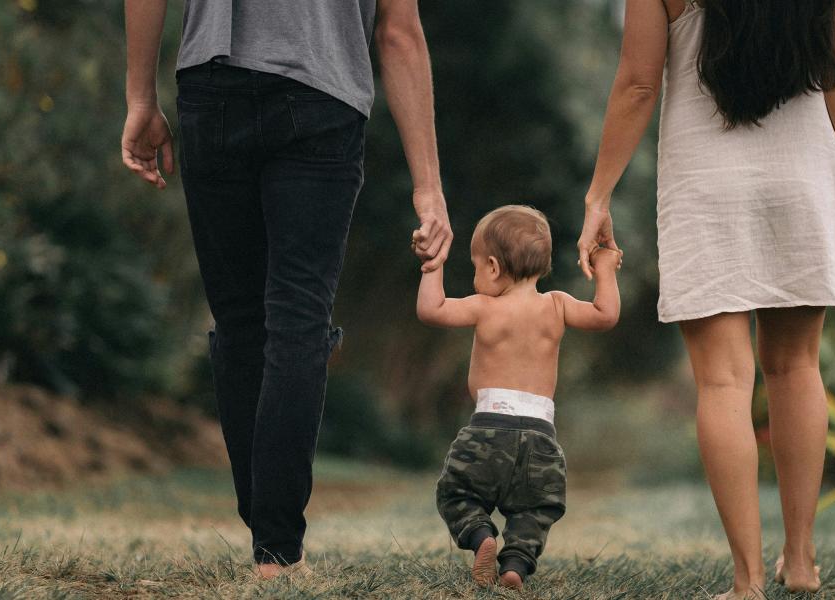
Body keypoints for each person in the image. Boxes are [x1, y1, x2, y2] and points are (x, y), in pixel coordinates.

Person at [119, 0, 454, 578]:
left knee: (241, 320)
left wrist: (140, 98)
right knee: (298, 316)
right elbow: (398, 31)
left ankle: (269, 538)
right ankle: (275, 549)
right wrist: (428, 187)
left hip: (212, 84)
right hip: (322, 95)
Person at [577, 0, 835, 597]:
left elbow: (638, 82)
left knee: (722, 383)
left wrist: (598, 197)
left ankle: (747, 583)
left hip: (706, 183)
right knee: (796, 369)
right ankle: (801, 563)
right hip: (804, 176)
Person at [417, 206, 621, 589]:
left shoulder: (485, 307)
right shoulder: (558, 305)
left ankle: (482, 537)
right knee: (534, 510)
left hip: (487, 430)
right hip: (541, 438)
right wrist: (605, 266)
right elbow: (605, 315)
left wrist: (433, 263)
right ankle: (515, 567)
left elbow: (432, 309)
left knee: (457, 492)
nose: (476, 275)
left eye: (476, 266)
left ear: (493, 267)